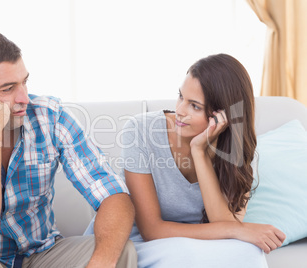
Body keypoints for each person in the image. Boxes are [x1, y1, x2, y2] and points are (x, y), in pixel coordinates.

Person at [0, 28, 137, 268]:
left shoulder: (50, 116)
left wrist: (102, 262)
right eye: (7, 89)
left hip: (40, 254)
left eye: (24, 82)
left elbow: (112, 195)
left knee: (121, 249)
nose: (24, 98)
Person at [85, 54, 286, 267]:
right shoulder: (140, 131)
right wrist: (239, 229)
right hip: (133, 243)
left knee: (249, 253)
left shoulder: (240, 151)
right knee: (188, 256)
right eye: (181, 96)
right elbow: (152, 230)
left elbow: (224, 226)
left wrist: (199, 151)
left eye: (195, 106)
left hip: (197, 244)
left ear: (224, 116)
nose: (180, 111)